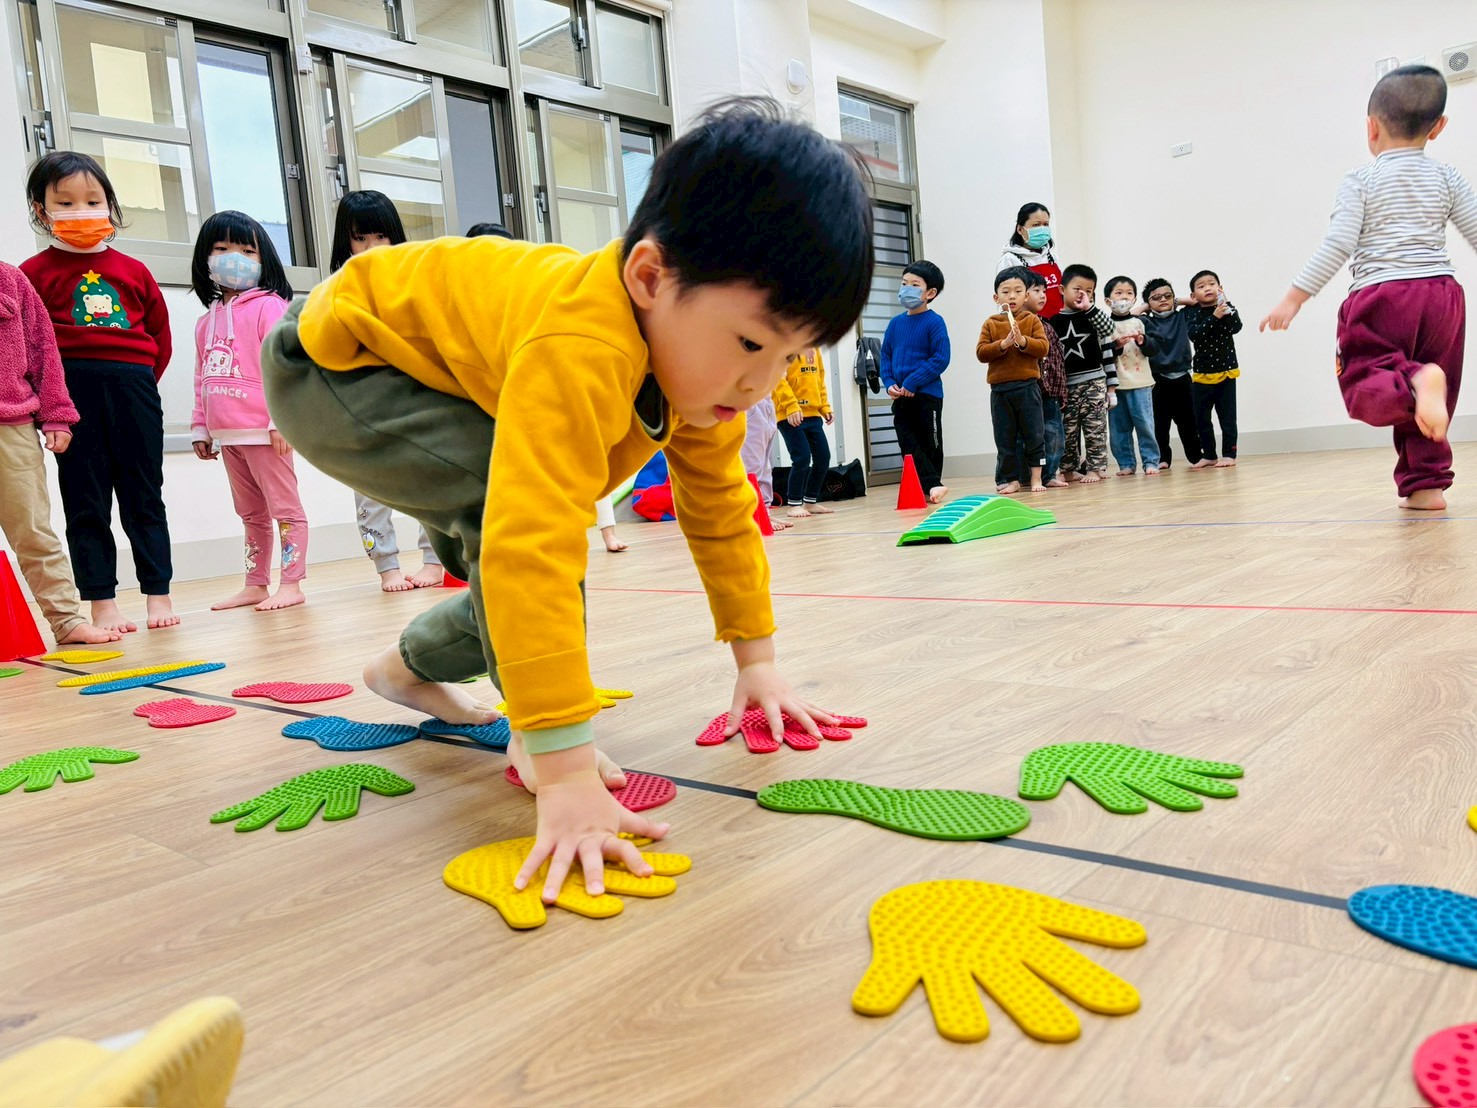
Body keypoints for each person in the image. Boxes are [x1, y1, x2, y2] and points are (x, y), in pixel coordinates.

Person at [260, 97, 872, 900]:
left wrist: (757, 662)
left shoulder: (705, 380)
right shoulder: (583, 341)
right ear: (649, 277)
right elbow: (531, 541)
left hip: (427, 374)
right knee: (515, 519)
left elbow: (723, 511)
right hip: (332, 363)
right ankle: (532, 728)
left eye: (790, 357)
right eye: (752, 343)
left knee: (511, 540)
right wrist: (562, 765)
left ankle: (403, 670)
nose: (761, 382)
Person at [1262, 64, 1477, 510]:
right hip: (1442, 295)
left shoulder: (1360, 180)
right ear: (1438, 127)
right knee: (1428, 405)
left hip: (1382, 295)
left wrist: (1294, 297)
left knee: (1364, 378)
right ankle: (1427, 487)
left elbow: (1338, 243)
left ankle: (1418, 380)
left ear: (1371, 127)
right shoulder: (1448, 177)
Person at [19, 151, 177, 633]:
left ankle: (158, 593)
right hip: (71, 394)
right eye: (65, 202)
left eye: (92, 200)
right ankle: (102, 603)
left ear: (109, 203)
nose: (81, 210)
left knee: (144, 494)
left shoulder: (134, 270)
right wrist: (50, 405)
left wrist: (137, 382)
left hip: (134, 388)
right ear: (42, 210)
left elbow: (160, 336)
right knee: (85, 500)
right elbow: (29, 345)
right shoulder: (32, 273)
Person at [469, 219, 629, 549]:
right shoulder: (471, 300)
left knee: (585, 452)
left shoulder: (529, 291)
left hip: (536, 390)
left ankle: (608, 531)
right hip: (488, 400)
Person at [0, 260, 121, 647]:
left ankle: (66, 621)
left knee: (33, 529)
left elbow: (42, 348)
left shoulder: (10, 279)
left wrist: (56, 414)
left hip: (11, 423)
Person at [188, 211, 303, 611]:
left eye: (247, 250)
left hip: (265, 432)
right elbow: (201, 377)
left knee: (285, 510)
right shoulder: (205, 322)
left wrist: (281, 420)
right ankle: (256, 583)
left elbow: (285, 367)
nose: (233, 257)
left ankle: (292, 583)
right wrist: (201, 428)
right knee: (251, 513)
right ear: (205, 258)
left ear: (263, 258)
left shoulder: (270, 307)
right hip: (227, 435)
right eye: (221, 248)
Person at [330, 190, 444, 589]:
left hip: (415, 405)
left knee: (431, 486)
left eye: (381, 236)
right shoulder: (339, 292)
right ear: (345, 243)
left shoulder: (412, 285)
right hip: (365, 411)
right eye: (360, 238)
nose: (372, 247)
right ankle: (387, 565)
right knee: (370, 494)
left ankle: (434, 561)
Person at [880, 259, 950, 503]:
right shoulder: (895, 323)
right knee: (907, 444)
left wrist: (912, 382)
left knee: (930, 442)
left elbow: (941, 358)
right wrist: (889, 382)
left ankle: (933, 484)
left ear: (930, 293)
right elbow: (885, 356)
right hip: (901, 396)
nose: (906, 288)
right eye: (904, 283)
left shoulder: (934, 322)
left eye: (914, 284)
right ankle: (928, 486)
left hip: (927, 395)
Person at [977, 266, 1048, 492]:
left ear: (1026, 296)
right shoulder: (991, 323)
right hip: (1000, 390)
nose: (1012, 296)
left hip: (1027, 387)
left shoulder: (1031, 320)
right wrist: (1003, 344)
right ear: (996, 297)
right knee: (1004, 438)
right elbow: (981, 353)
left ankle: (1036, 478)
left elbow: (1043, 348)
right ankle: (1012, 480)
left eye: (1018, 291)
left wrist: (1023, 341)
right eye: (1006, 292)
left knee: (1034, 434)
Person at [1048, 264, 1117, 482]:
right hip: (1066, 386)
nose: (1082, 294)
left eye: (1088, 291)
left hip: (1094, 381)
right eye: (1077, 289)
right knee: (1067, 430)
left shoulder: (1092, 317)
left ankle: (1095, 468)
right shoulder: (1053, 321)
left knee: (1095, 427)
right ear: (1062, 289)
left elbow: (1110, 329)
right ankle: (1068, 469)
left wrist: (1090, 308)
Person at [1137, 278, 1201, 470]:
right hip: (1157, 379)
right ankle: (1162, 458)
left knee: (1189, 421)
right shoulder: (1146, 321)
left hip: (1183, 377)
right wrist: (1145, 306)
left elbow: (1197, 302)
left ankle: (1196, 456)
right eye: (1156, 298)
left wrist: (1177, 301)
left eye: (1167, 296)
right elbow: (1128, 316)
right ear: (1148, 303)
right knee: (1159, 422)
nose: (1163, 299)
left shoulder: (1182, 316)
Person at [1105, 276, 1160, 476]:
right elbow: (1101, 353)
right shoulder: (1104, 325)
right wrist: (1116, 346)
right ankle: (1126, 463)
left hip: (1141, 382)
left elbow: (1155, 347)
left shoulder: (1141, 322)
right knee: (1118, 428)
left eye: (1129, 293)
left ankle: (1151, 461)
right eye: (1119, 293)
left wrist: (1144, 341)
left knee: (1145, 424)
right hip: (1115, 385)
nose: (1124, 297)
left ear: (1135, 299)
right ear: (1108, 301)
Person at [1187, 269, 1242, 468]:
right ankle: (1209, 454)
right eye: (1201, 286)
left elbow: (1236, 327)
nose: (1207, 288)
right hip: (1202, 375)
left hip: (1226, 373)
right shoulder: (1193, 312)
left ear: (1220, 288)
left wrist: (1224, 305)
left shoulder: (1227, 308)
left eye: (1211, 284)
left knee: (1228, 417)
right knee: (1201, 419)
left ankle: (1229, 454)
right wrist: (1214, 317)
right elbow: (1194, 334)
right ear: (1194, 295)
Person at [775, 346, 835, 518]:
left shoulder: (815, 348)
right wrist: (791, 405)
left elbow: (819, 379)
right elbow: (776, 379)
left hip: (813, 414)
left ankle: (810, 501)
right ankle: (794, 504)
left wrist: (824, 407)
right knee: (801, 457)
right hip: (790, 414)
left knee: (823, 457)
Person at [1023, 270, 1068, 487]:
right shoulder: (1020, 326)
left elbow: (1057, 361)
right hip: (1030, 390)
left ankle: (1048, 475)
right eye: (1036, 291)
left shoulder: (1047, 325)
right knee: (1027, 436)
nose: (1043, 295)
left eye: (1044, 290)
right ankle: (1023, 476)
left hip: (1052, 392)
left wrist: (1062, 391)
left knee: (1055, 436)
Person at [996, 203, 1063, 317]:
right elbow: (1005, 302)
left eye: (1046, 224)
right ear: (1020, 229)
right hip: (1029, 325)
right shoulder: (1009, 260)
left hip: (1060, 323)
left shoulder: (1053, 258)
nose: (1042, 229)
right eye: (1036, 225)